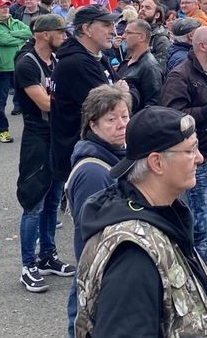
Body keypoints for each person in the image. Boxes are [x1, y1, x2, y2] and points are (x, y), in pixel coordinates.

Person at [74, 106, 207, 337]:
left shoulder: (163, 216)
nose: (200, 158)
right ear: (157, 163)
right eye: (190, 151)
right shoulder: (133, 257)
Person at [161, 25, 207, 265]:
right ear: (202, 45)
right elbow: (172, 115)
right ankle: (197, 281)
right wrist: (206, 111)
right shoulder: (181, 75)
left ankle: (200, 276)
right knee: (201, 228)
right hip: (199, 160)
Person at [15, 14, 76, 293]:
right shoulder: (27, 63)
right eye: (60, 32)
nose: (65, 36)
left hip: (57, 135)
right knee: (34, 202)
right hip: (37, 136)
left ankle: (47, 255)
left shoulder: (58, 62)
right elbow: (45, 103)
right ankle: (28, 264)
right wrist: (73, 99)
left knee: (53, 201)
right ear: (43, 34)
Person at [64, 85, 130, 332]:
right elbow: (93, 235)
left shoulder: (117, 155)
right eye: (111, 119)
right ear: (92, 125)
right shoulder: (94, 171)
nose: (121, 124)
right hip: (98, 278)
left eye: (124, 116)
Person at [52, 6, 129, 185]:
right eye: (106, 25)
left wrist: (122, 93)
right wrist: (121, 92)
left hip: (94, 151)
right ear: (86, 29)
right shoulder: (78, 64)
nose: (113, 31)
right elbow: (114, 106)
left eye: (113, 25)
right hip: (84, 156)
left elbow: (125, 96)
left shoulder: (97, 57)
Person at [0, 0, 32, 143]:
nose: (5, 9)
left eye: (6, 7)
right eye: (1, 7)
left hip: (18, 66)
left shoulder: (15, 21)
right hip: (1, 68)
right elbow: (3, 40)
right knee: (0, 102)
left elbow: (29, 33)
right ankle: (2, 130)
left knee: (27, 99)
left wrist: (12, 35)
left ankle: (31, 129)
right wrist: (18, 37)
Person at [118, 19, 164, 110]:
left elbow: (153, 107)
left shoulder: (150, 68)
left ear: (141, 37)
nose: (123, 36)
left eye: (128, 33)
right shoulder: (126, 63)